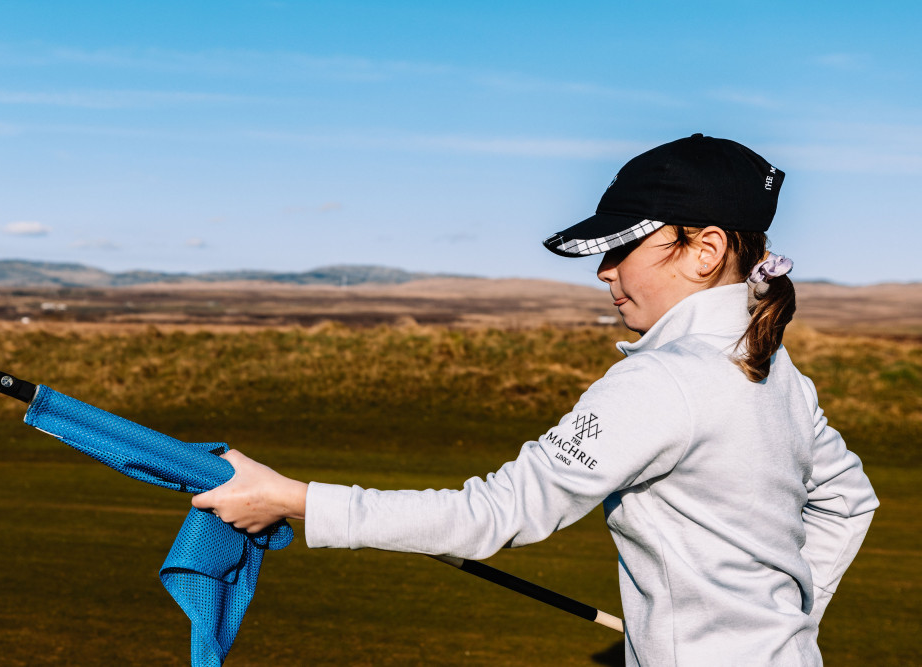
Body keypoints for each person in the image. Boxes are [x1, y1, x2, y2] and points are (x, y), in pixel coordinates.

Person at [192, 134, 879, 666]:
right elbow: (849, 499)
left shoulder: (662, 381)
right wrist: (788, 621)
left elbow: (490, 515)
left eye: (622, 246)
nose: (605, 270)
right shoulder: (773, 366)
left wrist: (294, 498)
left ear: (703, 250)